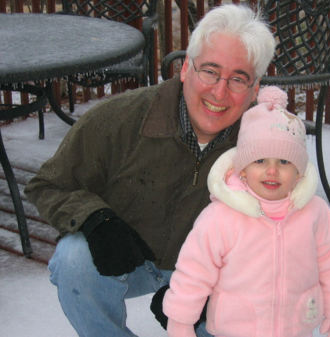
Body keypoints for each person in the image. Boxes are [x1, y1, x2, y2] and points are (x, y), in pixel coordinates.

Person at [24, 4, 275, 337]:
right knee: (74, 260)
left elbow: (286, 229)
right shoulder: (119, 119)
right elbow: (48, 185)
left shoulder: (268, 144)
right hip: (130, 262)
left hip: (210, 276)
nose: (219, 91)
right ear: (186, 68)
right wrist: (96, 219)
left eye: (238, 79)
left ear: (255, 89)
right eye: (209, 71)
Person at [162, 86, 330, 337]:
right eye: (260, 161)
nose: (272, 171)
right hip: (234, 328)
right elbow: (194, 270)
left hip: (295, 326)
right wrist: (181, 319)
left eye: (284, 162)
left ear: (299, 171)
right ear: (242, 169)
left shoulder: (314, 213)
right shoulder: (221, 217)